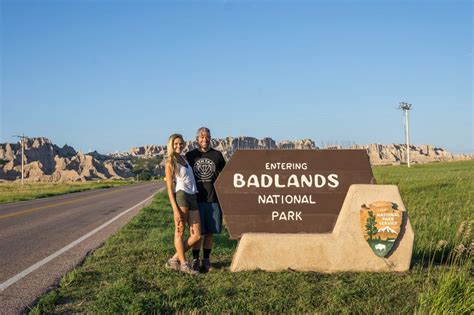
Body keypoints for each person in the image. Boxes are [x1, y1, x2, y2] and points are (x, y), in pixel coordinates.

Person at [186, 127, 226, 272]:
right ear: (197, 139)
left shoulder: (217, 155)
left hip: (213, 199)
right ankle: (195, 260)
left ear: (210, 138)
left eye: (207, 137)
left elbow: (225, 175)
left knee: (209, 232)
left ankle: (206, 260)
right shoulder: (190, 155)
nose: (204, 139)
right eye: (202, 137)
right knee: (197, 233)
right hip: (195, 200)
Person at [164, 133, 201, 275]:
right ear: (171, 146)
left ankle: (174, 259)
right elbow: (169, 188)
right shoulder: (170, 162)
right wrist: (175, 209)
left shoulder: (185, 159)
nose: (178, 146)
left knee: (196, 235)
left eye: (180, 143)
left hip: (193, 196)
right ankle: (184, 264)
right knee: (180, 231)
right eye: (175, 144)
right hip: (182, 197)